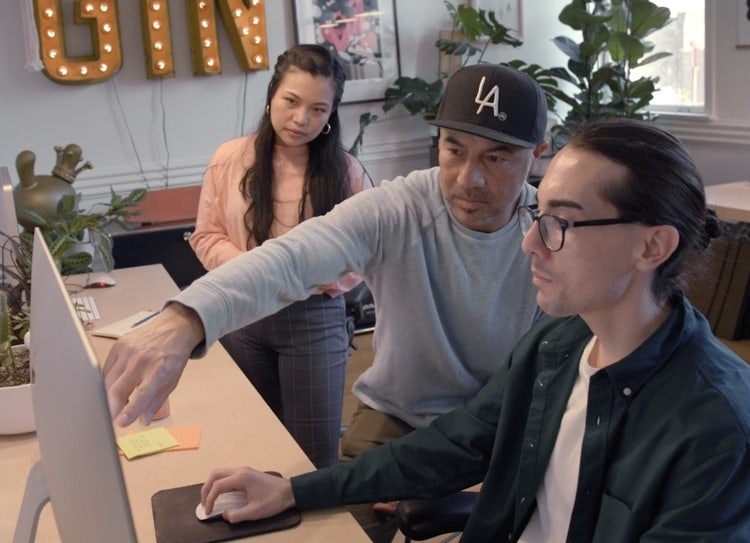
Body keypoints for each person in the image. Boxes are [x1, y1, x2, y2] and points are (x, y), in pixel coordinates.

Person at [195, 119, 750, 542]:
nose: (530, 243)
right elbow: (450, 446)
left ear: (652, 246)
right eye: (538, 216)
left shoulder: (716, 427)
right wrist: (294, 490)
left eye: (560, 222)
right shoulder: (557, 346)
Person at [103, 63, 549, 538]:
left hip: (505, 428)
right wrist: (186, 318)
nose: (468, 178)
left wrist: (453, 483)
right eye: (454, 150)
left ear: (537, 155)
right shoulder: (402, 207)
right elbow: (293, 257)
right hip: (397, 415)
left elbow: (546, 395)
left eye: (496, 158)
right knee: (330, 529)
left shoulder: (554, 236)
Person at [188, 44, 371, 469]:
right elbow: (207, 235)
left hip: (313, 319)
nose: (301, 119)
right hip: (242, 315)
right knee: (256, 448)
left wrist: (298, 278)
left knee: (313, 459)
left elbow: (364, 253)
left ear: (331, 114)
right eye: (291, 101)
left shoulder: (345, 171)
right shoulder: (229, 160)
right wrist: (257, 274)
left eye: (318, 109)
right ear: (272, 95)